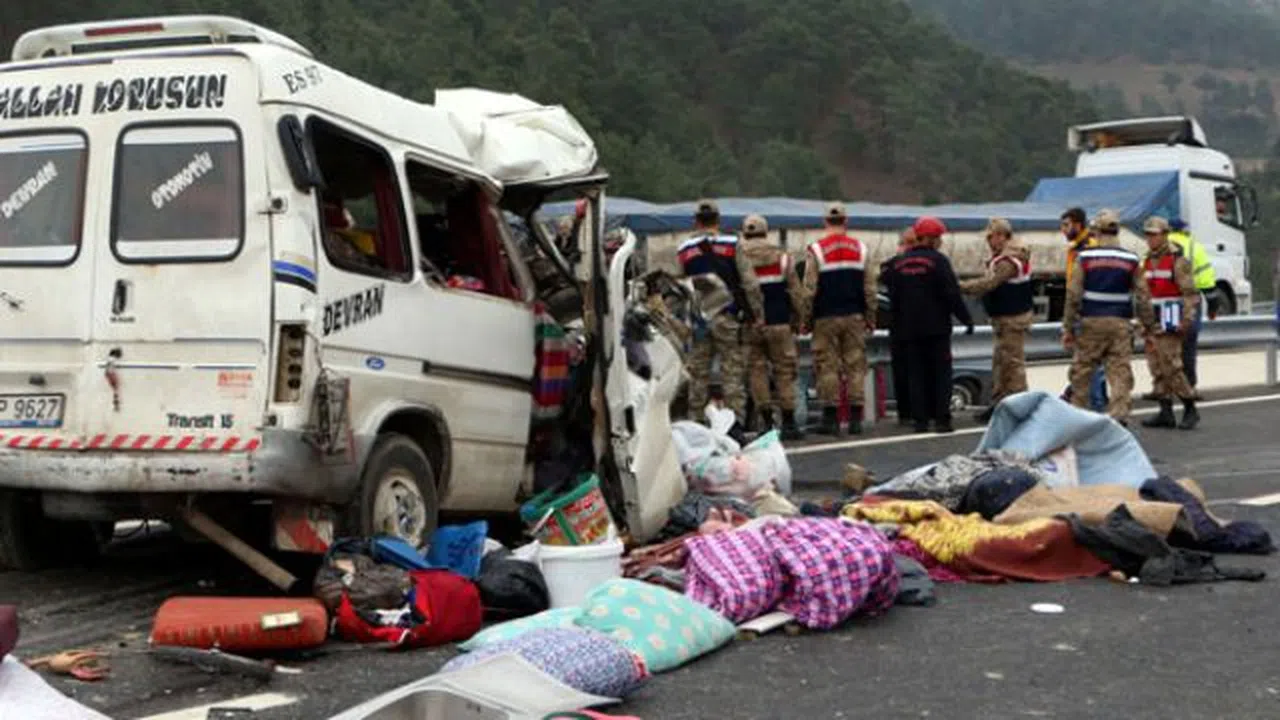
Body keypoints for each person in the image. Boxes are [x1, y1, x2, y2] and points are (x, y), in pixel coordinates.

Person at [675, 199, 765, 441]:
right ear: (718, 219)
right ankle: (734, 427)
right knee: (732, 373)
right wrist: (756, 314)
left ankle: (695, 425)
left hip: (699, 320)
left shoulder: (684, 250)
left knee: (698, 375)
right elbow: (750, 283)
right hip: (728, 317)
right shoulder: (732, 244)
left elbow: (680, 288)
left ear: (696, 221)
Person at [1061, 209, 1155, 426]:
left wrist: (1068, 327)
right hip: (1120, 325)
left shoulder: (1085, 258)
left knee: (1082, 372)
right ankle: (1119, 418)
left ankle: (1077, 419)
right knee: (1120, 373)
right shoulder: (1131, 259)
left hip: (1090, 324)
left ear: (1096, 232)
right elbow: (1143, 297)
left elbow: (1073, 295)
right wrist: (1149, 328)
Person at [885, 216, 974, 434]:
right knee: (941, 373)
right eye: (939, 237)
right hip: (936, 329)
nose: (940, 241)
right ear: (931, 238)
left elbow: (893, 298)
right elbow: (952, 294)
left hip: (908, 330)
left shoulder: (899, 264)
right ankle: (942, 419)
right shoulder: (939, 261)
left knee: (916, 374)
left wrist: (897, 326)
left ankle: (920, 421)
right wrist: (966, 319)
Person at [801, 202, 879, 436]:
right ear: (846, 221)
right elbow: (870, 289)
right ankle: (855, 419)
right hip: (854, 315)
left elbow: (809, 289)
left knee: (827, 367)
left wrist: (805, 319)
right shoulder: (861, 249)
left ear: (825, 221)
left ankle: (831, 418)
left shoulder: (816, 249)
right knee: (855, 365)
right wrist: (870, 316)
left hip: (825, 317)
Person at [959, 218, 1033, 423]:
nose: (988, 242)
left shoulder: (1008, 262)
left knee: (1012, 366)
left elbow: (989, 284)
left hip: (1011, 319)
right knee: (1001, 364)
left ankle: (1020, 407)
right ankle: (999, 404)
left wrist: (961, 287)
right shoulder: (1008, 258)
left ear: (1001, 236)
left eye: (990, 237)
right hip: (1006, 318)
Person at [739, 214, 805, 440]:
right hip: (779, 322)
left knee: (756, 372)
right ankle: (789, 423)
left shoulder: (738, 257)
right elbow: (796, 293)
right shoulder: (781, 257)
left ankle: (766, 423)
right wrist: (800, 318)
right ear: (766, 232)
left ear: (744, 233)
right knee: (785, 372)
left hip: (751, 324)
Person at [1139, 216, 1200, 430]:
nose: (1150, 239)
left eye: (1154, 235)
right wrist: (1143, 322)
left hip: (1171, 315)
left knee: (1171, 365)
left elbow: (1190, 293)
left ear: (1165, 235)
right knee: (1156, 366)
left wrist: (1187, 319)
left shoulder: (1177, 260)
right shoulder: (1147, 259)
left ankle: (1190, 407)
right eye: (1147, 235)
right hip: (1152, 318)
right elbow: (1144, 292)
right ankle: (1165, 411)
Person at [1061, 207, 1108, 411]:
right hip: (1085, 309)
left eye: (1066, 225)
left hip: (1088, 311)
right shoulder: (1077, 247)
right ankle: (1091, 399)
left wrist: (1071, 319)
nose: (1063, 230)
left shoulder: (1087, 248)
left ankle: (1096, 407)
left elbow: (1084, 284)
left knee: (1089, 361)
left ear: (1078, 225)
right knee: (1089, 361)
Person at [1167, 217, 1216, 393]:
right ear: (1184, 230)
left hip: (1166, 302)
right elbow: (1206, 280)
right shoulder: (1195, 247)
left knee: (1168, 345)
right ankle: (1189, 385)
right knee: (1188, 345)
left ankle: (1168, 386)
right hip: (1190, 301)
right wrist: (1213, 306)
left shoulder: (1158, 247)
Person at [883, 227, 915, 426]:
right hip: (908, 324)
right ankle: (911, 412)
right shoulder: (893, 266)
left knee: (906, 371)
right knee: (908, 371)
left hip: (903, 324)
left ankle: (909, 412)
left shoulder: (893, 266)